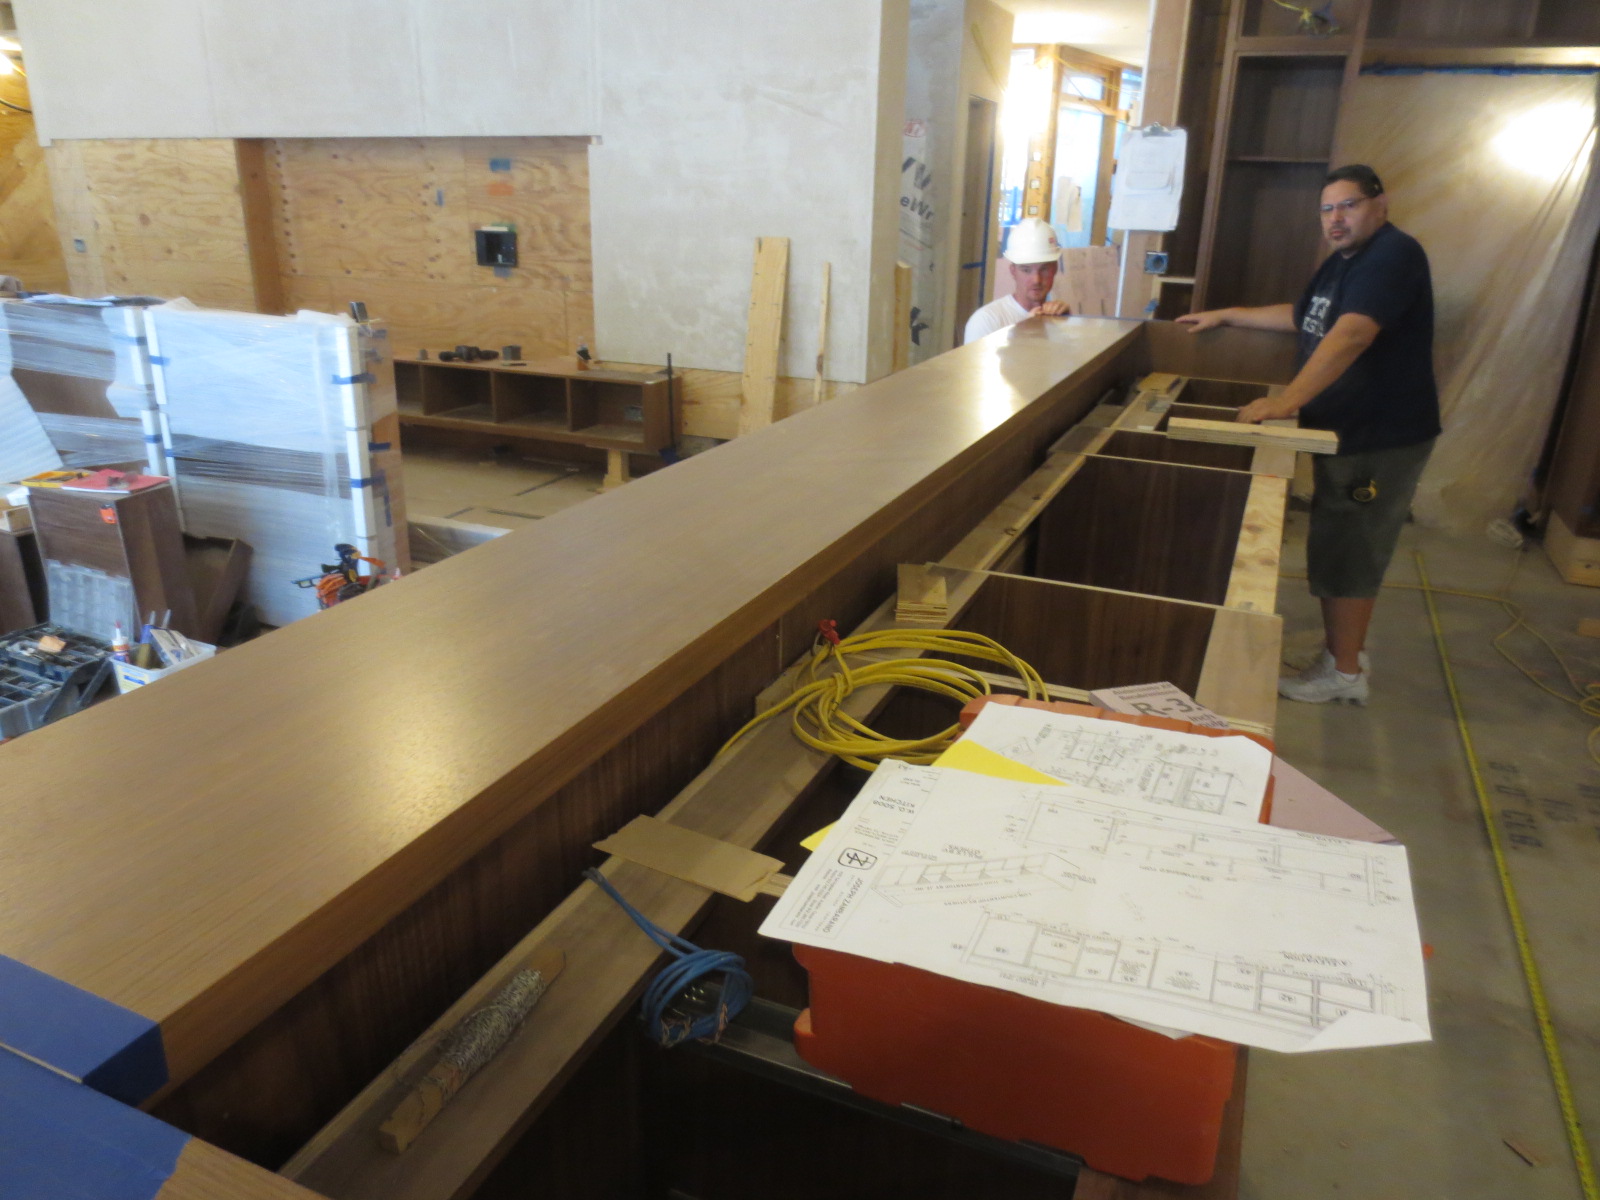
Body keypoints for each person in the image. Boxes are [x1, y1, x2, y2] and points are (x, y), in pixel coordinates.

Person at [1177, 164, 1439, 705]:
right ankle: (1345, 655)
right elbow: (1306, 318)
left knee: (1350, 550)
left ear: (1380, 204)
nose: (1335, 218)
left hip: (1377, 436)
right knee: (1336, 543)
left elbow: (1351, 335)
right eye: (1327, 209)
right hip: (1347, 432)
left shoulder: (1392, 256)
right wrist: (1226, 314)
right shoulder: (1344, 264)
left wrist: (1286, 401)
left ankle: (1344, 675)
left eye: (1348, 205)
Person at [963, 218, 1071, 343]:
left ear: (1055, 269)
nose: (1036, 279)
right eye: (1026, 270)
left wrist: (1067, 323)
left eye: (1044, 269)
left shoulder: (1055, 317)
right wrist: (1027, 329)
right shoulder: (986, 321)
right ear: (1013, 271)